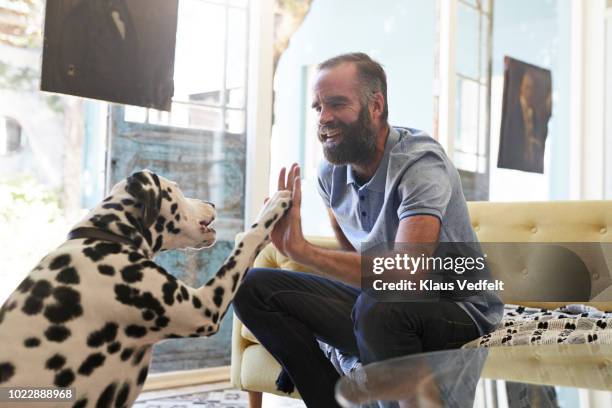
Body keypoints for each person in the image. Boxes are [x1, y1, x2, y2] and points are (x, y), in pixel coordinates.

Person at [233, 53, 503, 408]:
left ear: (376, 105)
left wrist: (303, 252)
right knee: (250, 288)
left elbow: (409, 274)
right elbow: (355, 260)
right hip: (384, 306)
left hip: (457, 309)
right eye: (317, 107)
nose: (323, 118)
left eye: (337, 104)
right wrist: (288, 248)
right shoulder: (331, 174)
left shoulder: (420, 163)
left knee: (381, 305)